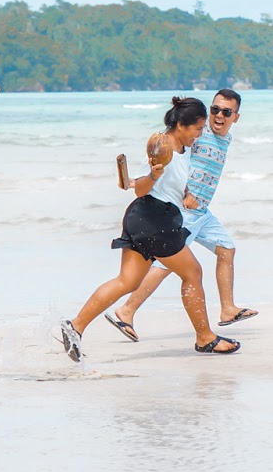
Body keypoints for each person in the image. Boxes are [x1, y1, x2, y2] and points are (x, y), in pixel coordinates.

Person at [58, 96, 241, 362]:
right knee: (193, 273)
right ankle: (205, 338)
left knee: (128, 281)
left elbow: (174, 181)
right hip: (155, 219)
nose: (200, 134)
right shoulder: (162, 146)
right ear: (181, 125)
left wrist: (186, 193)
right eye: (198, 129)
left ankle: (75, 326)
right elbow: (143, 188)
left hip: (145, 218)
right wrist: (153, 175)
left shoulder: (183, 147)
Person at [103, 88, 256, 342]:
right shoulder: (197, 133)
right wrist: (146, 178)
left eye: (226, 112)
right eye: (215, 109)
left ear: (235, 118)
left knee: (226, 248)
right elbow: (168, 146)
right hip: (183, 211)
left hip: (202, 211)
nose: (218, 115)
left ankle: (228, 308)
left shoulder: (225, 139)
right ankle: (126, 311)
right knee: (166, 265)